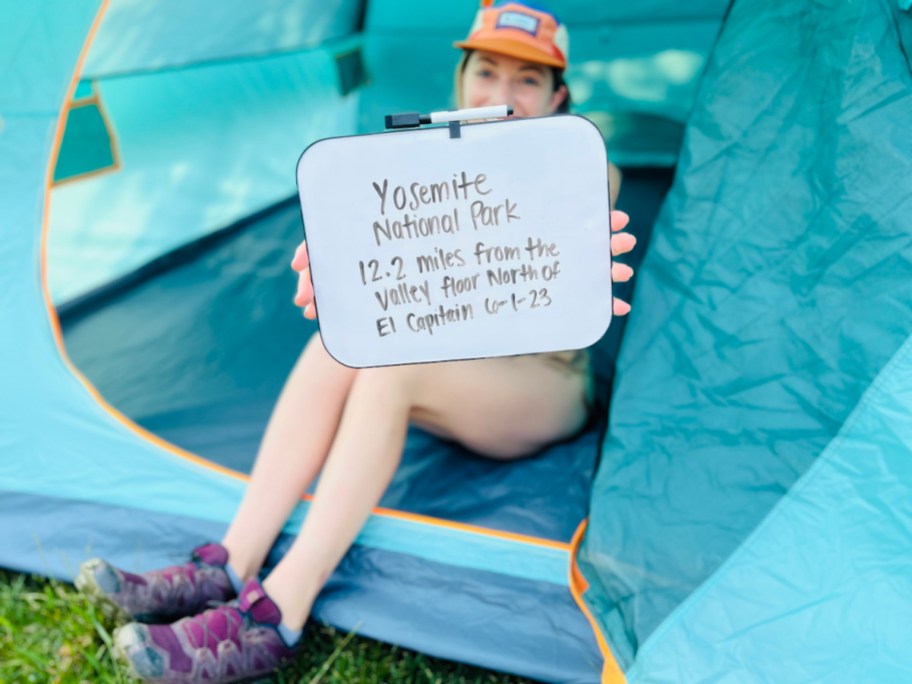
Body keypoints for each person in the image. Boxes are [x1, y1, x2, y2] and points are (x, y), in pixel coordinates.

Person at [75, 3, 636, 682]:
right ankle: (228, 562)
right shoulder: (418, 161)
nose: (502, 96)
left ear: (558, 100)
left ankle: (279, 611)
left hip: (540, 383)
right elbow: (398, 282)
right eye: (487, 72)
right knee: (343, 345)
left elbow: (529, 249)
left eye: (527, 81)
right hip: (455, 361)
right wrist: (349, 279)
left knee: (389, 369)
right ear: (461, 82)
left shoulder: (583, 164)